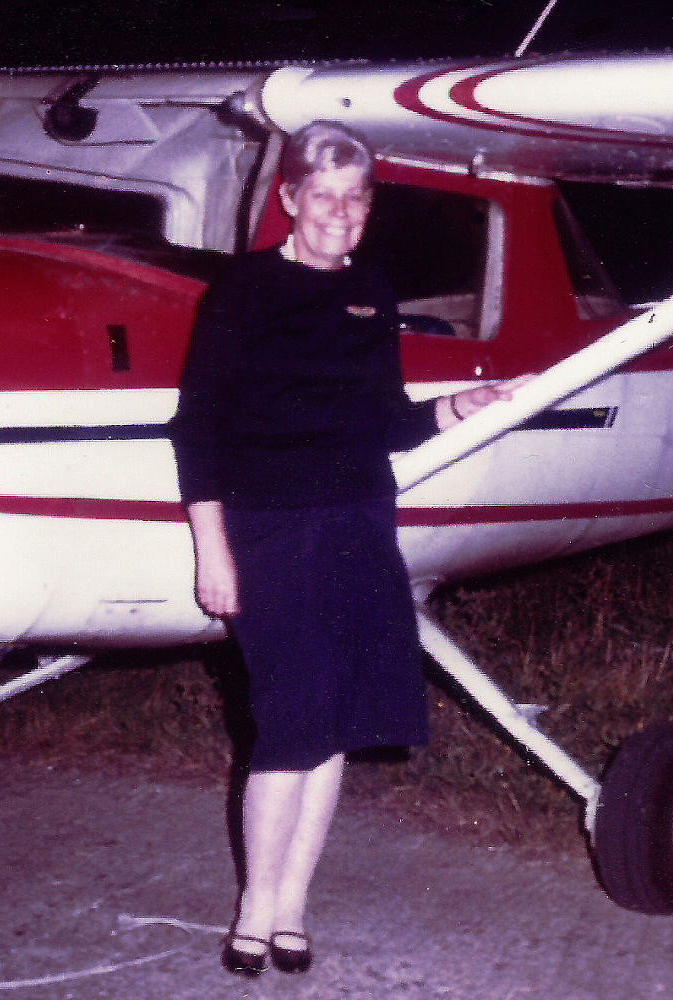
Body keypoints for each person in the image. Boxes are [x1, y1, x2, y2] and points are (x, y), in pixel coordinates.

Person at [170, 121, 508, 977]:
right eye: (322, 195)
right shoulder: (244, 289)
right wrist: (213, 551)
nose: (339, 212)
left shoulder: (370, 291)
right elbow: (198, 430)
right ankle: (253, 907)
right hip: (270, 527)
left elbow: (385, 421)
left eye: (355, 198)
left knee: (339, 722)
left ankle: (292, 906)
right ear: (289, 198)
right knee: (289, 720)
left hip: (359, 521)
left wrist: (456, 409)